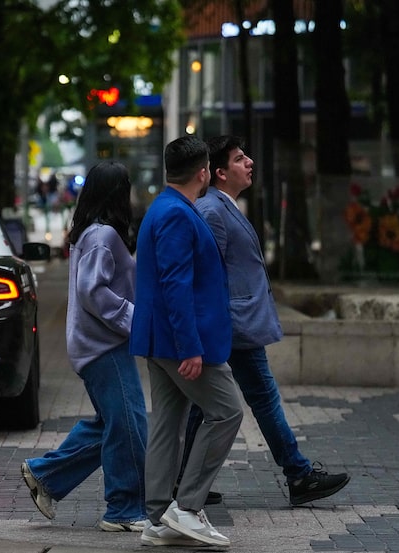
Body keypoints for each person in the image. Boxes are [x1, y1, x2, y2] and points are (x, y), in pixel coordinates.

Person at [181, 135, 350, 506]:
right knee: (263, 399)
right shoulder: (213, 211)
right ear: (221, 173)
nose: (250, 162)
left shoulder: (225, 207)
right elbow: (206, 274)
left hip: (232, 324)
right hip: (233, 326)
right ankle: (299, 474)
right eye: (241, 159)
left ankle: (183, 480)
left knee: (205, 404)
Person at [21, 161, 148, 532]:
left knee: (113, 423)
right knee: (129, 424)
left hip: (97, 344)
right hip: (103, 346)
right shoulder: (102, 235)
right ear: (117, 193)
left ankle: (45, 476)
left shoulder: (90, 233)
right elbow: (93, 293)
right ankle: (124, 509)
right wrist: (134, 318)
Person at [130, 135, 244, 549]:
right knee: (228, 412)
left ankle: (159, 518)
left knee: (167, 425)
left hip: (159, 339)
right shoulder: (178, 213)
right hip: (181, 343)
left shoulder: (161, 208)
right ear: (202, 173)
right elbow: (176, 284)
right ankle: (186, 508)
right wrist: (190, 346)